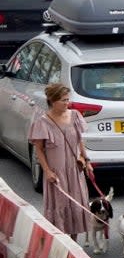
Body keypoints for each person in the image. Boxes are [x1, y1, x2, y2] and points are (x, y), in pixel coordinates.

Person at [29, 83, 90, 241]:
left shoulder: (75, 115)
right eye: (63, 100)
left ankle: (74, 243)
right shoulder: (42, 122)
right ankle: (61, 243)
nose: (66, 103)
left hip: (74, 170)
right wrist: (47, 171)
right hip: (57, 172)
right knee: (60, 206)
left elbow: (79, 140)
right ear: (52, 100)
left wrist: (86, 159)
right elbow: (39, 150)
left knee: (76, 204)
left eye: (67, 99)